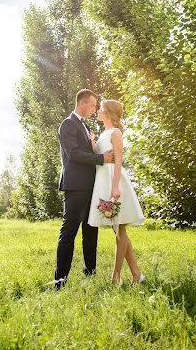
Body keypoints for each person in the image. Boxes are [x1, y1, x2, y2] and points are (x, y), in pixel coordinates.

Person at [54, 89, 114, 289]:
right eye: (92, 105)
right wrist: (101, 158)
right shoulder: (68, 124)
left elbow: (86, 150)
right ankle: (60, 280)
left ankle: (91, 274)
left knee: (91, 230)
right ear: (82, 103)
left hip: (91, 186)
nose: (94, 109)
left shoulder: (85, 126)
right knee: (69, 231)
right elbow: (73, 154)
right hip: (76, 186)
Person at [88, 99, 144, 285]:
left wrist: (115, 188)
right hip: (103, 181)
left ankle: (116, 276)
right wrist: (92, 143)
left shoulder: (115, 132)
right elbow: (99, 155)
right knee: (118, 228)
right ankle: (136, 274)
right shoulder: (104, 133)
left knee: (119, 228)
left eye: (100, 109)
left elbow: (118, 160)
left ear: (108, 112)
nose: (97, 112)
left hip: (114, 182)